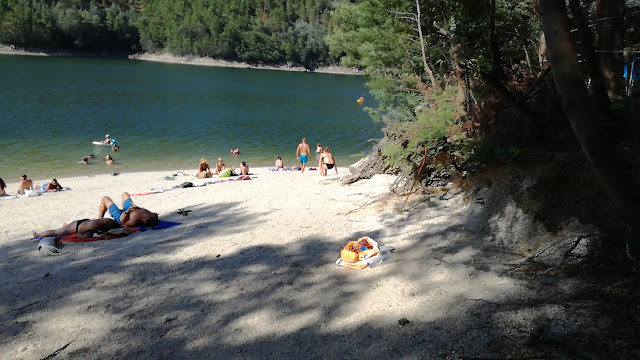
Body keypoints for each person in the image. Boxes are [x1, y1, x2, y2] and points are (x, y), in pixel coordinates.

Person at [33, 218, 121, 239]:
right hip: (76, 226)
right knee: (56, 232)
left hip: (85, 221)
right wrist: (84, 237)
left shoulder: (106, 220)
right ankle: (38, 234)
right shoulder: (93, 228)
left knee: (64, 229)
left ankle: (66, 226)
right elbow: (79, 234)